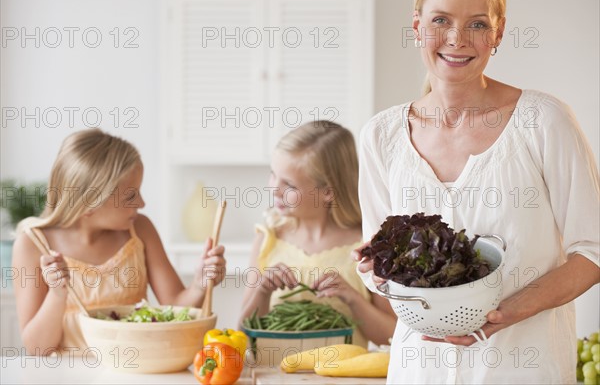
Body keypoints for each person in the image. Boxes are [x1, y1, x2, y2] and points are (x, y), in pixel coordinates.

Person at [353, 0, 600, 383]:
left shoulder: (543, 121)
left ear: (498, 33)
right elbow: (381, 271)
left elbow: (593, 252)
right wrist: (375, 269)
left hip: (522, 368)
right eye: (440, 20)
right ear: (417, 27)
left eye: (478, 24)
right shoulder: (381, 135)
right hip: (418, 370)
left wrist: (506, 312)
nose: (457, 38)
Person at [12, 129, 227, 355]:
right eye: (131, 196)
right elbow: (37, 348)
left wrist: (199, 285)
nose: (142, 203)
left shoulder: (140, 230)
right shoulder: (32, 245)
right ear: (89, 203)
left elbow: (175, 307)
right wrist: (57, 294)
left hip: (135, 369)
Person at [239, 120, 396, 347]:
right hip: (272, 378)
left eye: (289, 185)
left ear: (327, 192)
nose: (274, 188)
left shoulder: (366, 247)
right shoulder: (267, 239)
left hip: (341, 380)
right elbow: (241, 332)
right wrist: (261, 291)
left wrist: (352, 299)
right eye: (273, 174)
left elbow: (391, 335)